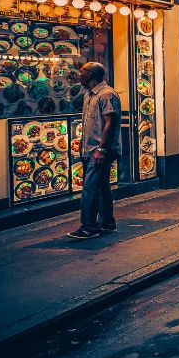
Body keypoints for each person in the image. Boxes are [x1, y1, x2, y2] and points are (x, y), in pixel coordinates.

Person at [67, 62, 122, 240]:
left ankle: (89, 227)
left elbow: (110, 123)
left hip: (101, 149)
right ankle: (107, 223)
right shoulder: (89, 95)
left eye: (82, 72)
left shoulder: (106, 94)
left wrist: (102, 149)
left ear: (89, 75)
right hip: (90, 149)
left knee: (90, 189)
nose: (79, 75)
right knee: (102, 186)